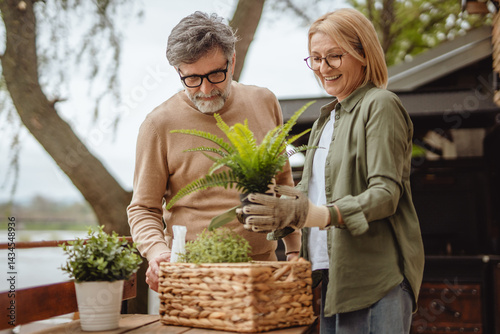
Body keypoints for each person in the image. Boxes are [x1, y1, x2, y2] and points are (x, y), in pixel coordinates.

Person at [239, 8, 425, 334]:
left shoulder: (379, 105)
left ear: (363, 54)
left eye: (334, 56)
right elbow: (316, 196)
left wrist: (318, 215)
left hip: (376, 278)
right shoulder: (327, 120)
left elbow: (385, 194)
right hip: (333, 279)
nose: (323, 68)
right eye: (315, 59)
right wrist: (272, 207)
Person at [127, 11, 301, 293]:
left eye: (215, 75)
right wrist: (158, 252)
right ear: (178, 72)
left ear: (232, 62)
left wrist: (293, 251)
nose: (206, 89)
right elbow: (143, 208)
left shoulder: (264, 102)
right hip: (193, 277)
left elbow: (282, 184)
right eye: (192, 79)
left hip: (263, 272)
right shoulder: (158, 125)